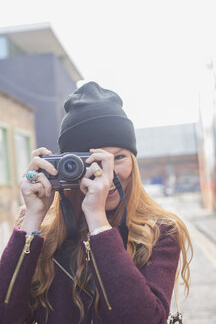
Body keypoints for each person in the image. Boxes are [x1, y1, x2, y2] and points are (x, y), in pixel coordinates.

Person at [0, 82, 192, 324]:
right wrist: (32, 219)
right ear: (68, 165)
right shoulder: (38, 227)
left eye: (118, 157)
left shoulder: (161, 231)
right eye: (92, 159)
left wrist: (98, 223)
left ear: (133, 161)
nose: (107, 173)